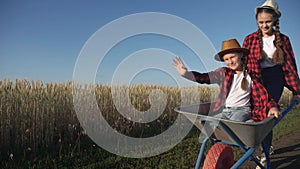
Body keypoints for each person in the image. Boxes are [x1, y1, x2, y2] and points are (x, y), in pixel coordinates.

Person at [242, 0, 300, 167]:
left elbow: (290, 65)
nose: (264, 25)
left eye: (268, 21)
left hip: (275, 77)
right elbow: (244, 62)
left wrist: (296, 90)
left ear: (275, 20)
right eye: (261, 22)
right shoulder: (250, 39)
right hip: (256, 77)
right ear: (256, 22)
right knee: (256, 111)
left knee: (267, 112)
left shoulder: (283, 40)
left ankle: (265, 153)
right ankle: (262, 145)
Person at [173, 39, 281, 123]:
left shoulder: (251, 76)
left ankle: (250, 124)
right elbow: (204, 77)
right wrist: (186, 74)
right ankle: (220, 148)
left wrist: (273, 107)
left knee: (235, 124)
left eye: (232, 57)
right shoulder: (224, 73)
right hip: (224, 110)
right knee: (211, 124)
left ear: (241, 55)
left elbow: (264, 96)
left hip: (242, 110)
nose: (230, 62)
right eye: (226, 59)